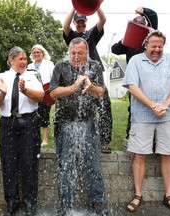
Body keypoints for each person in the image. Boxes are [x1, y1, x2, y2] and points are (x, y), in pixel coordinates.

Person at [122, 30, 170, 214]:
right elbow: (132, 87)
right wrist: (153, 106)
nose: (157, 49)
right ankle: (138, 195)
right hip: (142, 116)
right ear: (146, 45)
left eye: (160, 46)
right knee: (140, 155)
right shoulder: (135, 61)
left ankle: (169, 196)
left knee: (168, 155)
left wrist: (165, 104)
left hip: (168, 114)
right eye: (153, 45)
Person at [50, 37, 108, 216]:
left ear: (87, 52)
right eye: (73, 53)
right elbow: (53, 93)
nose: (76, 56)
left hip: (88, 124)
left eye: (80, 53)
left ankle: (96, 201)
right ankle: (65, 204)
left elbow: (102, 93)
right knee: (65, 164)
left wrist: (91, 87)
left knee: (93, 164)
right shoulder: (60, 66)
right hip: (65, 123)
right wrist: (73, 87)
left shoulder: (96, 66)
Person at [0, 46, 44, 216]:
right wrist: (2, 92)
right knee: (9, 164)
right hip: (8, 124)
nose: (24, 62)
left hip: (29, 122)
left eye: (25, 59)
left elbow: (40, 96)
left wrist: (25, 90)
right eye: (20, 59)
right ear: (10, 60)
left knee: (29, 163)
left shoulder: (32, 75)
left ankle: (30, 202)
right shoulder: (1, 77)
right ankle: (12, 201)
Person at [63, 2, 113, 154]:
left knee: (104, 103)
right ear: (75, 23)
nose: (80, 25)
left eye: (82, 22)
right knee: (74, 105)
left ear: (86, 22)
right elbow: (65, 26)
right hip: (76, 75)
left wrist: (95, 5)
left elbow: (103, 20)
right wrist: (75, 4)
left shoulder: (91, 34)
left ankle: (104, 141)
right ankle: (73, 139)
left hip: (94, 73)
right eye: (77, 22)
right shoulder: (72, 37)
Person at [111, 7, 158, 139]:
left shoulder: (150, 39)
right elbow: (114, 49)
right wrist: (125, 38)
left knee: (151, 106)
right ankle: (131, 134)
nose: (139, 27)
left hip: (150, 78)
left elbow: (153, 16)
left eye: (141, 25)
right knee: (134, 107)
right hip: (134, 81)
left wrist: (143, 10)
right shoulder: (129, 42)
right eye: (136, 25)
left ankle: (152, 136)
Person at [27, 44, 54, 146]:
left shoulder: (49, 64)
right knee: (34, 115)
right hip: (33, 93)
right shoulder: (29, 66)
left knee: (44, 115)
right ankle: (35, 137)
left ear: (43, 53)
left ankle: (45, 139)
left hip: (46, 93)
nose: (36, 54)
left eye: (39, 52)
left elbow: (54, 79)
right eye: (34, 52)